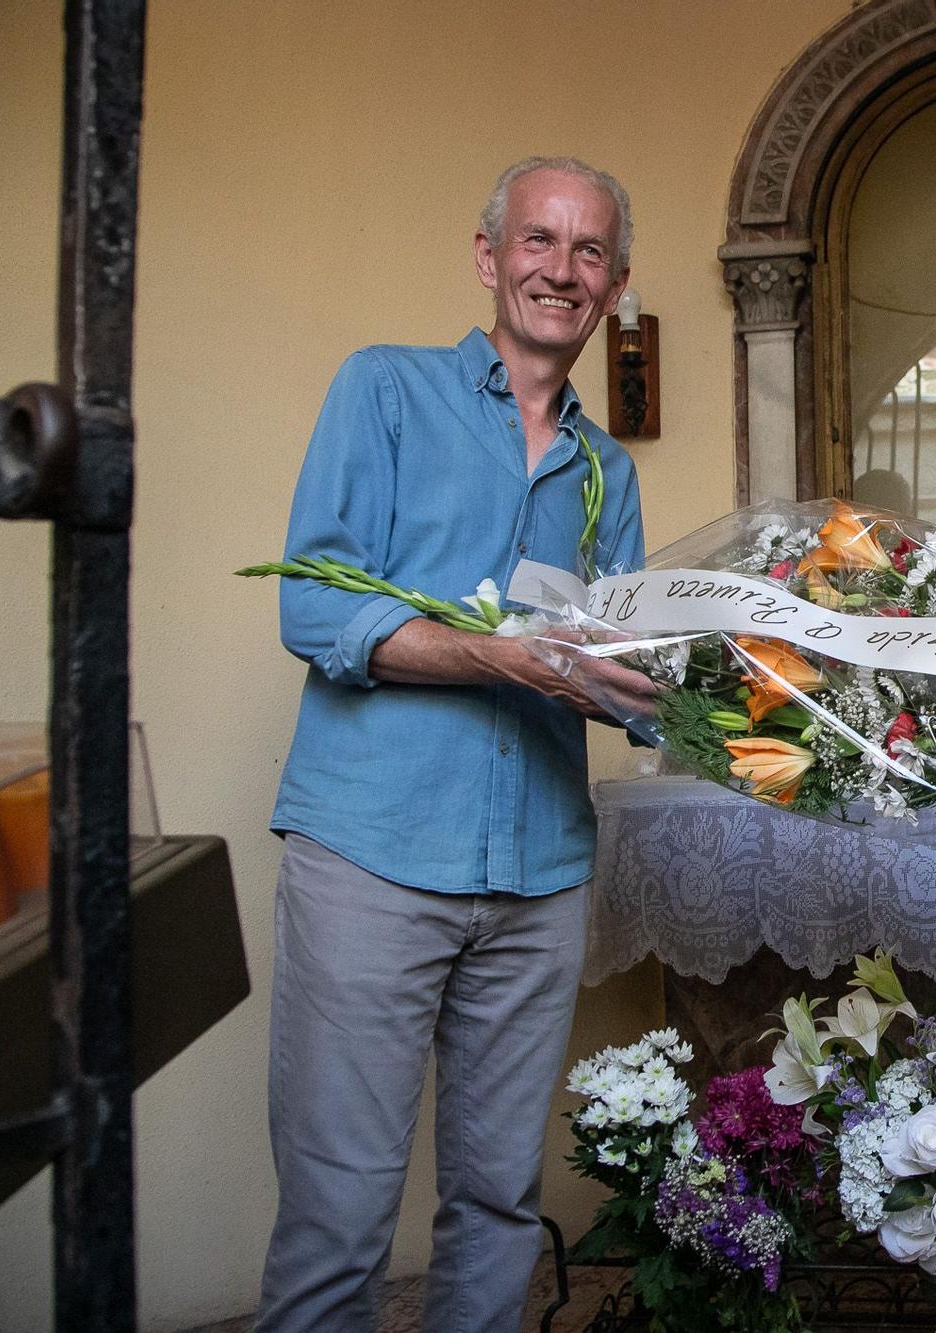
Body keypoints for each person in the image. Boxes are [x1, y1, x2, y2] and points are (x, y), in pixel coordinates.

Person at [257, 156, 659, 1332]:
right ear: (490, 258)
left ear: (615, 285)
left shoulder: (607, 471)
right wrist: (499, 656)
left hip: (536, 872)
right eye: (539, 241)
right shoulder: (381, 392)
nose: (562, 270)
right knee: (339, 1212)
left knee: (495, 1206)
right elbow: (314, 610)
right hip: (370, 858)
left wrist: (733, 682)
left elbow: (621, 674)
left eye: (590, 253)